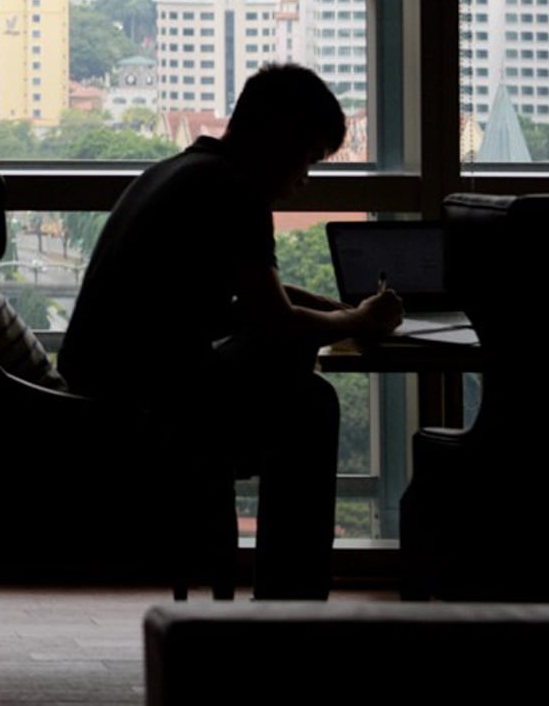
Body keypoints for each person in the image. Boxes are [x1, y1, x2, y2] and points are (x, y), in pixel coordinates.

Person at [56, 63, 403, 599]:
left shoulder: (183, 171)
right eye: (307, 159)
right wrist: (355, 321)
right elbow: (277, 319)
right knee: (309, 405)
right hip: (137, 407)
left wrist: (346, 312)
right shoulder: (234, 193)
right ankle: (292, 601)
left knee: (289, 380)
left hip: (103, 387)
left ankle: (278, 599)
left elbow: (249, 300)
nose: (303, 179)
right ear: (280, 138)